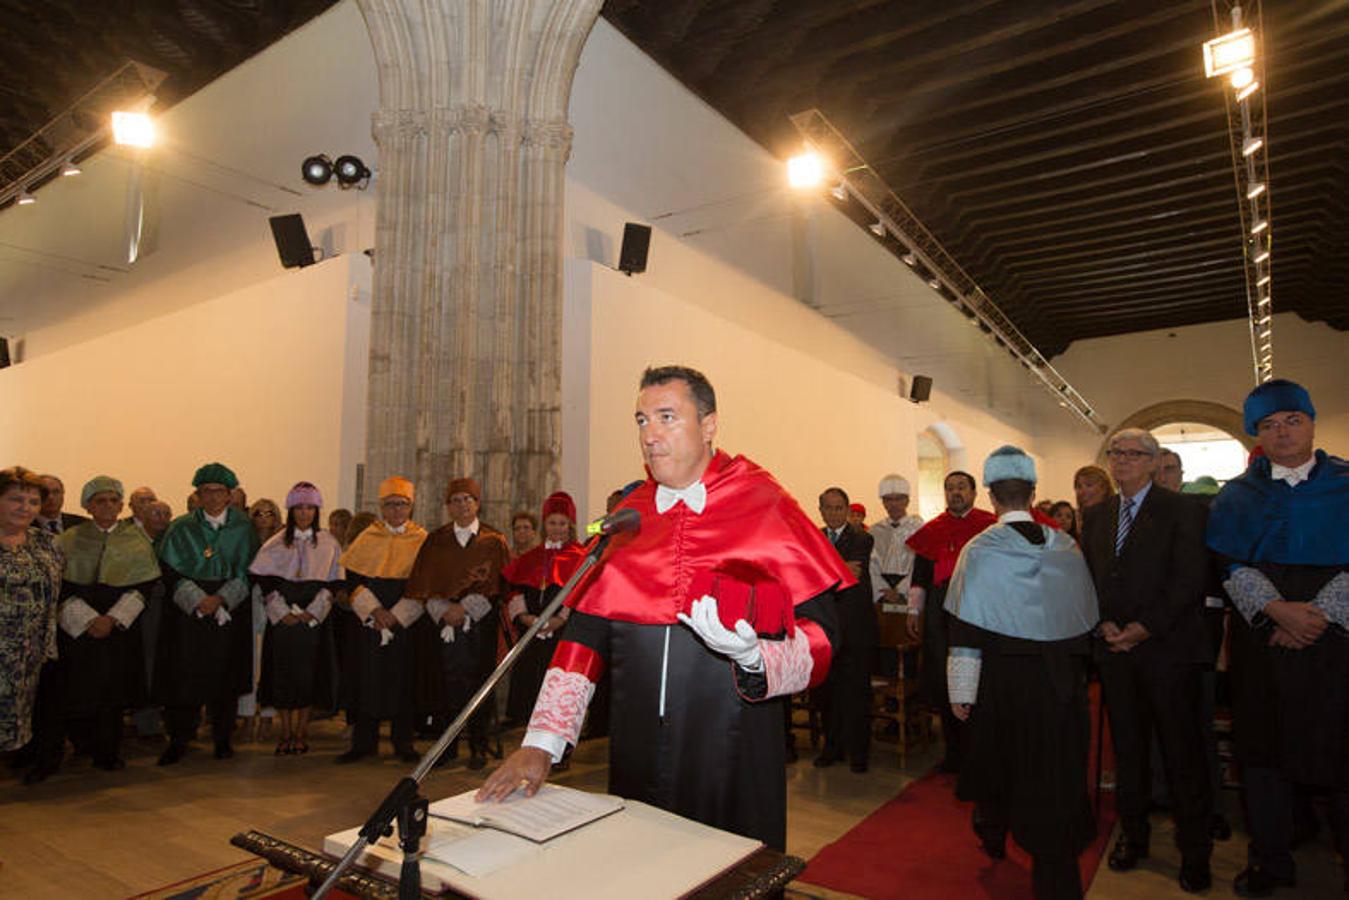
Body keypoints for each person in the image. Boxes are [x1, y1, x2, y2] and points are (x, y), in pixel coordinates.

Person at [479, 365, 848, 851]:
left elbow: (825, 635)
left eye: (667, 417)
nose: (649, 435)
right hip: (636, 750)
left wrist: (756, 656)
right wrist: (540, 744)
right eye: (640, 420)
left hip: (733, 751)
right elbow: (583, 640)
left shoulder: (766, 505)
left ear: (710, 424)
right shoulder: (630, 518)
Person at [1207, 379, 1347, 897]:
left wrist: (1319, 616)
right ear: (1257, 435)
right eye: (1269, 425)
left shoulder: (1348, 482)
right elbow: (1228, 560)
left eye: (1293, 420)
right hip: (1262, 640)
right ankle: (1271, 862)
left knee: (1340, 757)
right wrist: (1275, 611)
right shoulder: (1237, 495)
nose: (1282, 432)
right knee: (1263, 759)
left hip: (1335, 645)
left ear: (1312, 423)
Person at [946, 447, 1099, 900]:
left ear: (991, 495)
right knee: (1053, 778)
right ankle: (1056, 875)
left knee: (999, 763)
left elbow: (965, 625)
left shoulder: (980, 550)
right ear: (1033, 493)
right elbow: (1084, 622)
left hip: (1002, 685)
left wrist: (961, 691)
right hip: (1058, 686)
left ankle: (993, 833)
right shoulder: (1065, 547)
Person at [1080, 428, 1212, 893]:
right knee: (1129, 752)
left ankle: (1195, 851)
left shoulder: (1184, 510)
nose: (1124, 461)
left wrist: (1144, 627)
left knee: (1182, 754)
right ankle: (1133, 836)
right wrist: (1103, 624)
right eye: (1117, 453)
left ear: (1155, 463)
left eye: (1135, 454)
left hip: (1168, 651)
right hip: (1115, 653)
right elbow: (1091, 578)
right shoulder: (1097, 515)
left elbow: (1190, 578)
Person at [41, 477, 159, 779]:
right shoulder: (68, 538)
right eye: (100, 501)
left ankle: (109, 751)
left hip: (119, 628)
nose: (107, 506)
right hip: (80, 628)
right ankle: (83, 745)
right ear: (87, 505)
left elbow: (145, 586)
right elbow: (59, 586)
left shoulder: (136, 538)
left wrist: (113, 618)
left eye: (112, 500)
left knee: (114, 692)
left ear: (122, 505)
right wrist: (88, 619)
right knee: (79, 688)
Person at [154, 463, 260, 765]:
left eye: (218, 491)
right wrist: (199, 600)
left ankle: (223, 737)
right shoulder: (181, 527)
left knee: (224, 673)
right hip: (189, 613)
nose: (212, 497)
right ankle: (179, 739)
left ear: (229, 495)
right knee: (183, 674)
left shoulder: (243, 528)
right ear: (197, 495)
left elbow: (250, 571)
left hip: (229, 610)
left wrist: (222, 599)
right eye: (206, 491)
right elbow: (169, 570)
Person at [403, 476, 512, 769]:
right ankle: (446, 747)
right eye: (456, 500)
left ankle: (478, 744)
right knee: (443, 682)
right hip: (442, 625)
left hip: (478, 623)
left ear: (477, 504)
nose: (462, 505)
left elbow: (499, 584)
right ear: (448, 506)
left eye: (468, 499)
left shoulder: (494, 540)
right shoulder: (435, 540)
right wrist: (444, 609)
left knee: (479, 681)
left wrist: (466, 609)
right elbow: (423, 582)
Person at [905, 470, 997, 773]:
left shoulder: (989, 526)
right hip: (938, 614)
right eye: (949, 488)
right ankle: (953, 750)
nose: (955, 493)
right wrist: (914, 611)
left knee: (977, 680)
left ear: (973, 492)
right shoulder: (934, 529)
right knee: (945, 680)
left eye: (961, 487)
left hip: (976, 612)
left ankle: (979, 749)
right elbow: (920, 577)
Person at [335, 476, 428, 763]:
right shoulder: (368, 537)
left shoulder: (422, 539)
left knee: (403, 679)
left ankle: (403, 743)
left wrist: (396, 616)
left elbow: (424, 582)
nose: (396, 510)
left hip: (405, 621)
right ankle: (364, 743)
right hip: (371, 621)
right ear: (382, 507)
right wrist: (375, 612)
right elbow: (353, 579)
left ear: (411, 507)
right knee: (367, 679)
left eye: (402, 504)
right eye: (390, 505)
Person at [250, 482, 343, 755]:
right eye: (299, 508)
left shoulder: (328, 542)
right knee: (283, 676)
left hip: (313, 621)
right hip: (283, 622)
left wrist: (313, 611)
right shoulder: (275, 543)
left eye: (310, 508)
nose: (305, 513)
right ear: (291, 511)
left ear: (317, 511)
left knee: (308, 677)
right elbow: (263, 582)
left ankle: (301, 732)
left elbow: (335, 583)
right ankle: (285, 732)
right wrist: (282, 613)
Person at [502, 492, 579, 728]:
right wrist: (525, 617)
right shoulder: (530, 557)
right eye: (552, 522)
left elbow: (580, 593)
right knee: (529, 680)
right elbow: (514, 590)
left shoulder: (579, 556)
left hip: (562, 632)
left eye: (562, 523)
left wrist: (559, 620)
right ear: (544, 525)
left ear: (570, 526)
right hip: (530, 630)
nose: (557, 528)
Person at [0, 468, 62, 756]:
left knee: (13, 733)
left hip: (26, 659)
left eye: (33, 502)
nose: (25, 508)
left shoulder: (45, 543)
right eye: (16, 499)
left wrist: (46, 645)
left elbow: (53, 598)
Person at [815, 486, 876, 773]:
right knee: (827, 694)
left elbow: (852, 576)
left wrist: (821, 570)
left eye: (839, 508)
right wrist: (835, 570)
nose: (833, 513)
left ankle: (858, 752)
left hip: (855, 628)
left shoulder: (862, 538)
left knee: (856, 693)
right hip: (825, 628)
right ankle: (832, 747)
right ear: (821, 510)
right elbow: (819, 575)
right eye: (828, 508)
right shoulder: (813, 538)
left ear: (848, 510)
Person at [869, 474, 924, 611]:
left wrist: (901, 591)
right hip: (881, 594)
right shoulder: (874, 531)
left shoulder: (919, 529)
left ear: (907, 500)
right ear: (883, 502)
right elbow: (871, 564)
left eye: (898, 499)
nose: (893, 504)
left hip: (910, 590)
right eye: (888, 499)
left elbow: (920, 564)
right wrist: (883, 590)